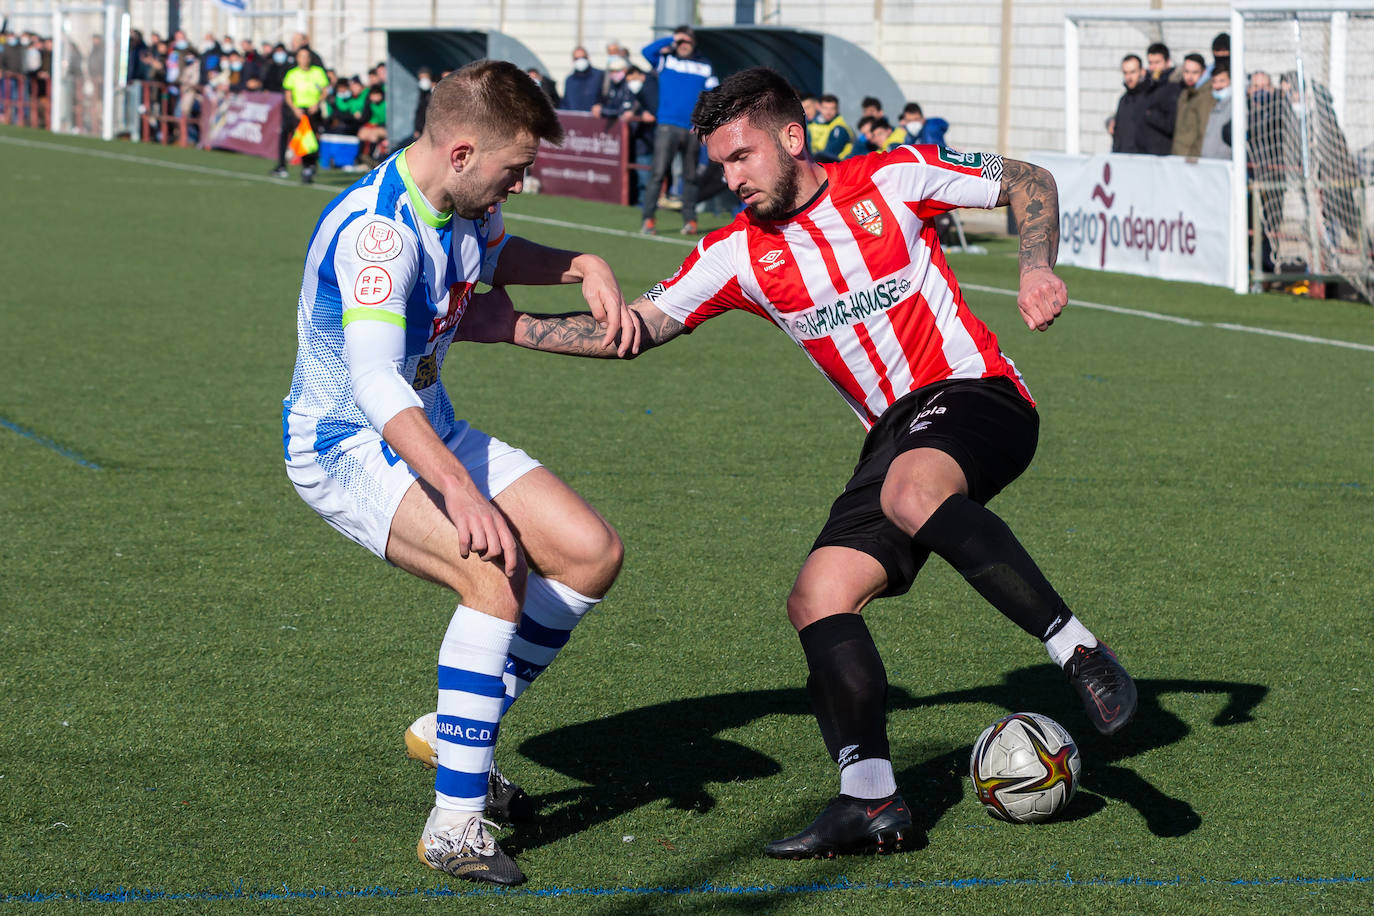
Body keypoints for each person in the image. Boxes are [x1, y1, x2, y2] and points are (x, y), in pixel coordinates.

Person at [455, 65, 1138, 859]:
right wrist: (504, 326)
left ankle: (1079, 651)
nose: (729, 177)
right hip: (893, 434)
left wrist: (1035, 267)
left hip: (977, 393)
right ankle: (872, 801)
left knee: (914, 491)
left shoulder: (892, 176)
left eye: (742, 156)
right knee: (819, 597)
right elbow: (633, 329)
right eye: (719, 164)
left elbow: (1027, 179)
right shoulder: (737, 253)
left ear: (791, 137)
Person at [282, 59, 637, 887]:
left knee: (590, 552)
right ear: (465, 152)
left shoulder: (459, 198)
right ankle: (454, 828)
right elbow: (372, 383)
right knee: (492, 574)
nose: (524, 180)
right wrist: (459, 489)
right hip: (345, 443)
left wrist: (582, 263)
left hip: (426, 422)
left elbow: (496, 256)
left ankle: (456, 730)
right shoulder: (381, 235)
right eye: (516, 167)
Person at [639, 25, 718, 236]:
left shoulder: (705, 65)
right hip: (667, 126)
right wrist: (671, 40)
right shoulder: (666, 59)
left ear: (694, 43)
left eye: (687, 42)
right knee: (658, 173)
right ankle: (648, 219)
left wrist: (703, 121)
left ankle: (690, 221)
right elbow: (646, 52)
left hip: (692, 129)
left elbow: (713, 96)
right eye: (680, 42)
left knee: (690, 177)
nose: (683, 46)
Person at [276, 46, 329, 182]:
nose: (304, 60)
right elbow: (288, 95)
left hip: (313, 110)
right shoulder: (292, 74)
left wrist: (317, 103)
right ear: (298, 58)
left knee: (314, 139)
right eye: (301, 57)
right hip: (300, 111)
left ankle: (312, 165)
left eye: (306, 57)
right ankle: (306, 167)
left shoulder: (317, 72)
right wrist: (295, 109)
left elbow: (325, 91)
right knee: (304, 139)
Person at [1140, 42, 1180, 155]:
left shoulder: (1173, 86)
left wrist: (1150, 115)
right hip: (1144, 150)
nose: (1153, 67)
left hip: (1161, 151)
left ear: (1167, 62)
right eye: (1150, 63)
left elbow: (1171, 124)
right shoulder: (1148, 85)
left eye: (1157, 62)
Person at [1171, 53, 1211, 157]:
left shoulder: (1205, 97)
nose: (1189, 76)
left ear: (1204, 72)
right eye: (1186, 72)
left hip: (1190, 159)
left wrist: (1194, 157)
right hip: (1179, 154)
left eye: (1195, 72)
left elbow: (1203, 132)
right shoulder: (1185, 93)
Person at [1111, 53, 1149, 153]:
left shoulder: (1149, 97)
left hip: (1142, 160)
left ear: (1142, 72)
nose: (1129, 77)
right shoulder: (1124, 100)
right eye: (1125, 73)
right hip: (1123, 158)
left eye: (1132, 72)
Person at [807, 94, 852, 162]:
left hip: (838, 165)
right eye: (825, 108)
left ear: (837, 110)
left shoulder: (840, 128)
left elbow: (829, 153)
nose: (828, 112)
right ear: (820, 108)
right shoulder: (813, 125)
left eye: (832, 109)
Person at [1200, 62, 1232, 160]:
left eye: (1222, 81)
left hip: (1224, 161)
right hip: (1208, 160)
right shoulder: (1210, 102)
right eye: (1214, 81)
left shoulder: (1236, 105)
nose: (1218, 86)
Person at [561, 46, 601, 111]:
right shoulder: (569, 80)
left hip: (593, 119)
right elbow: (565, 103)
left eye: (583, 58)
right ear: (573, 60)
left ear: (588, 58)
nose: (580, 61)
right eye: (577, 59)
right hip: (575, 118)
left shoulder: (599, 76)